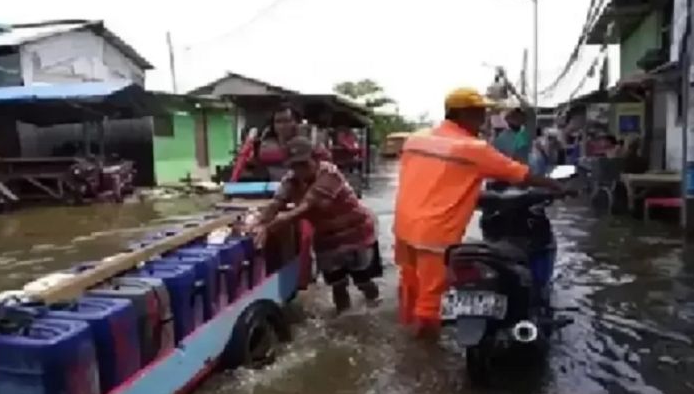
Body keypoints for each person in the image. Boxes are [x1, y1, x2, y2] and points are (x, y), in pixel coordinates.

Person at [393, 87, 566, 338]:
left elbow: (432, 180)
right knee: (430, 302)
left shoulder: (416, 139)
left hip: (404, 226)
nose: (484, 118)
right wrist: (557, 186)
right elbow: (520, 174)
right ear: (465, 114)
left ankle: (404, 331)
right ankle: (423, 360)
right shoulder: (473, 148)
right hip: (435, 233)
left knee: (410, 284)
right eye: (480, 113)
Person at [253, 137, 381, 313]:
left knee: (363, 280)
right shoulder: (291, 181)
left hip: (356, 234)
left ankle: (374, 309)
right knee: (337, 285)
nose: (300, 171)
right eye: (295, 166)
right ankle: (343, 321)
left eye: (304, 164)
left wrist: (272, 225)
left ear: (315, 159)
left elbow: (305, 207)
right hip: (327, 239)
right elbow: (276, 203)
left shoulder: (329, 174)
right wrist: (259, 223)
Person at [230, 103, 332, 182]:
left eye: (287, 121)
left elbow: (326, 163)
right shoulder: (265, 146)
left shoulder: (310, 142)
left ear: (297, 123)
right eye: (278, 122)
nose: (282, 126)